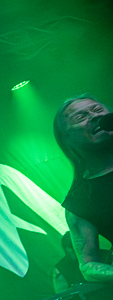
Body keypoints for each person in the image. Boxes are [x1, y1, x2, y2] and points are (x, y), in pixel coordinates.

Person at [52, 95, 113, 281]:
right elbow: (88, 265)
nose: (95, 117)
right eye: (81, 117)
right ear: (67, 139)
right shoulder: (80, 200)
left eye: (98, 110)